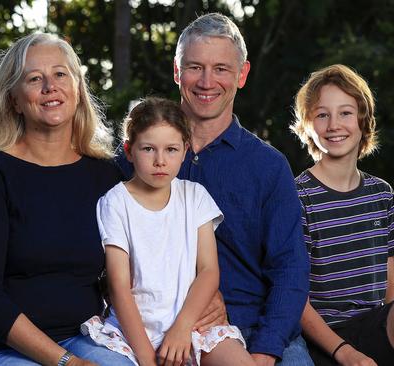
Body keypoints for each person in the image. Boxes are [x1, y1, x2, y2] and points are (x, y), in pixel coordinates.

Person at [116, 13, 311, 365]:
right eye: (195, 67)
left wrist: (266, 351)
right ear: (177, 72)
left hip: (254, 329)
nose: (207, 81)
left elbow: (290, 269)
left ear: (242, 75)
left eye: (221, 69)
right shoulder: (134, 158)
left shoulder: (268, 167)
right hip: (157, 329)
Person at [0, 33, 136, 366]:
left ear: (77, 89)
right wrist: (65, 362)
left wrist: (207, 299)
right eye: (34, 78)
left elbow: (142, 264)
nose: (50, 87)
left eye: (60, 74)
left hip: (85, 337)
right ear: (14, 99)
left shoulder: (106, 176)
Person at [81, 97, 254, 366]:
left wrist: (182, 328)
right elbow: (119, 287)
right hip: (133, 332)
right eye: (148, 149)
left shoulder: (195, 196)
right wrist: (147, 358)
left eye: (171, 149)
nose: (160, 161)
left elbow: (209, 271)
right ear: (128, 151)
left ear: (185, 150)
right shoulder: (115, 202)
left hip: (190, 324)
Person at [291, 64, 394, 366]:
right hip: (324, 342)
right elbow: (296, 302)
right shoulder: (297, 197)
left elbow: (392, 290)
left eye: (345, 113)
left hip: (375, 330)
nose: (334, 125)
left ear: (363, 120)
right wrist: (346, 353)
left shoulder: (381, 194)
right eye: (322, 115)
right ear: (307, 125)